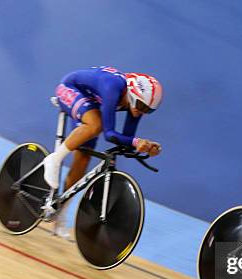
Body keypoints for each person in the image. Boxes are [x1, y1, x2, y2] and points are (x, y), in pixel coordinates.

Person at [43, 66, 163, 238]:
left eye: (148, 110)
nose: (141, 111)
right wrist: (137, 142)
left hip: (91, 102)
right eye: (141, 106)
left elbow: (126, 140)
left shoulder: (137, 103)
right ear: (133, 93)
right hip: (70, 88)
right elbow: (109, 134)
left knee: (82, 159)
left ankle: (59, 217)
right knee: (96, 125)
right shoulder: (113, 86)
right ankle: (54, 160)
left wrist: (146, 147)